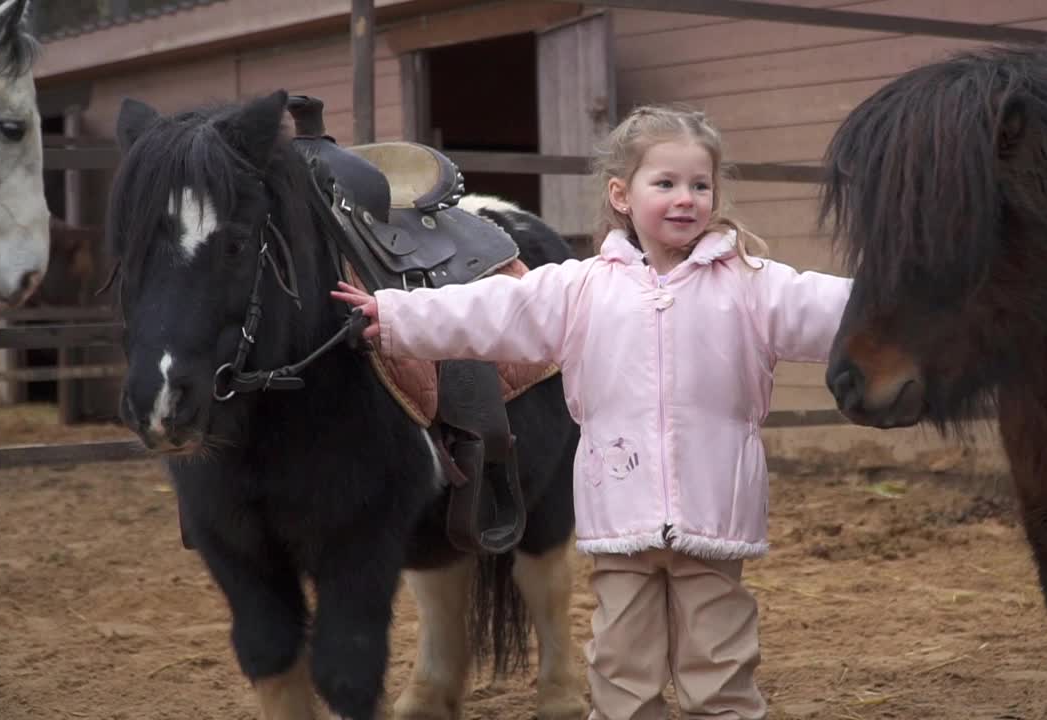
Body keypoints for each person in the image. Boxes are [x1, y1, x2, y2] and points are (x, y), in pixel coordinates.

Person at [332, 105, 852, 720]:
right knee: (621, 672)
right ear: (622, 195)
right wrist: (392, 316)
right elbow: (489, 310)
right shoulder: (579, 288)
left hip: (714, 520)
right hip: (621, 520)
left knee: (720, 669)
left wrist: (921, 296)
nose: (685, 198)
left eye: (700, 184)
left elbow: (843, 309)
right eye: (665, 183)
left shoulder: (755, 286)